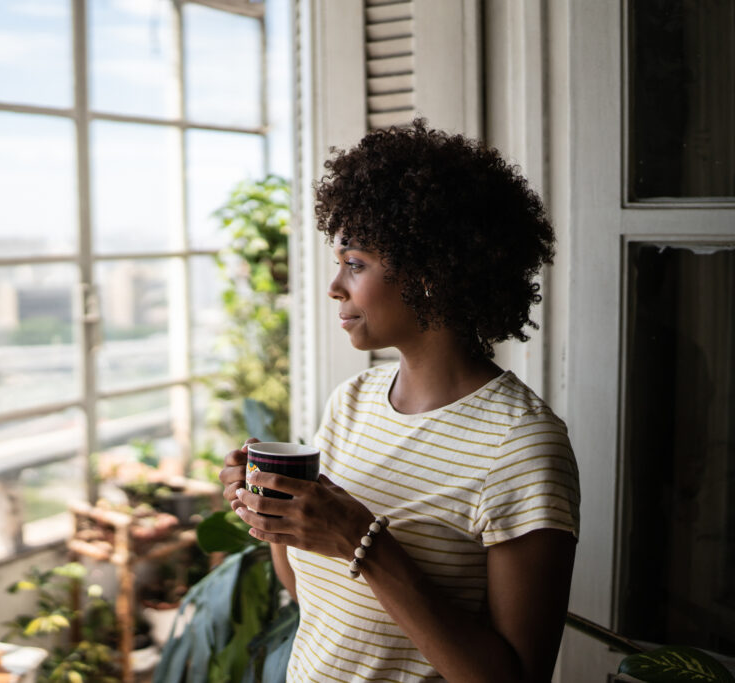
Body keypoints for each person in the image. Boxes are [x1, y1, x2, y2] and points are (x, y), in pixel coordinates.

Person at [219, 119, 580, 683]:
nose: (335, 286)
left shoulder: (522, 447)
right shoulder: (352, 402)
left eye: (355, 264)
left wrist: (363, 542)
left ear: (430, 273)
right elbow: (317, 601)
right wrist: (274, 515)